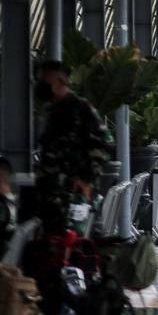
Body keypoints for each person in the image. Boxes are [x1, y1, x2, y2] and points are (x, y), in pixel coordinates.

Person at [33, 60, 113, 235]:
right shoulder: (53, 111)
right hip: (52, 193)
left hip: (74, 194)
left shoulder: (80, 108)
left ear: (60, 81)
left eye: (45, 80)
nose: (40, 85)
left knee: (72, 240)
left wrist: (86, 178)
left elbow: (103, 143)